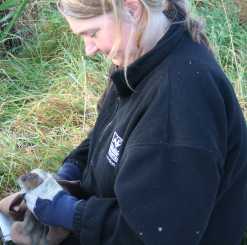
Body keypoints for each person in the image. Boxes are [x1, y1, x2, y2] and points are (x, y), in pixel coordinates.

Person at [23, 0, 247, 244]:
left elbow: (156, 234)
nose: (89, 49)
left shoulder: (177, 104)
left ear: (132, 8)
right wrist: (73, 167)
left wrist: (72, 214)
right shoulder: (142, 57)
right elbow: (108, 132)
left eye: (92, 33)